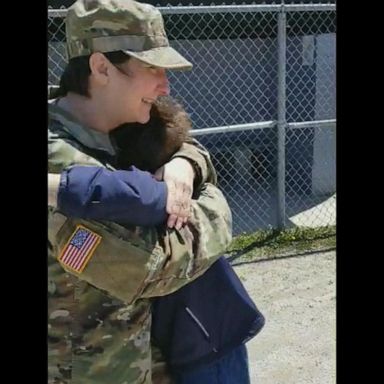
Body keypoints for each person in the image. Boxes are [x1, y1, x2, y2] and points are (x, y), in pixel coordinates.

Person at [48, 1, 264, 382]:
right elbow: (156, 265)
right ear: (101, 68)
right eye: (151, 67)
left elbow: (184, 143)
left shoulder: (124, 127)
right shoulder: (60, 158)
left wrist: (186, 163)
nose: (165, 83)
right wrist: (214, 205)